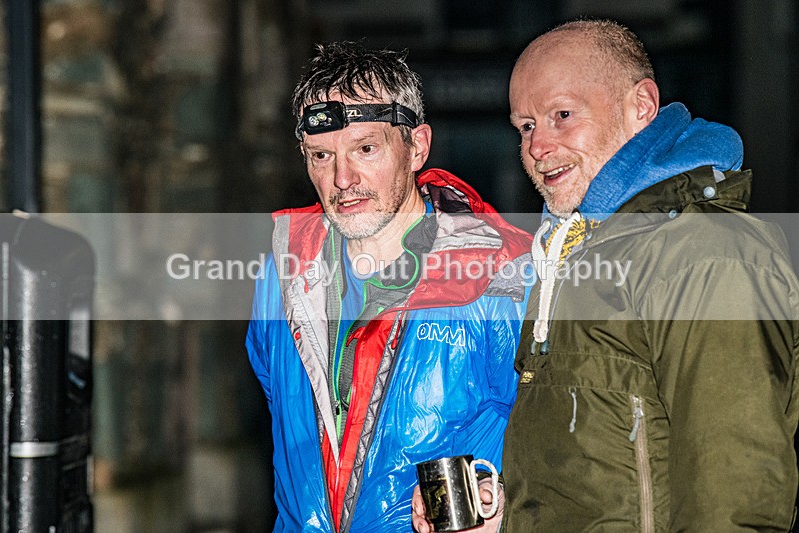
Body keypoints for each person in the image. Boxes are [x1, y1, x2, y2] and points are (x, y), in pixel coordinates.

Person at [413, 18, 799, 532]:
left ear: (640, 107)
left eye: (562, 115)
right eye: (526, 126)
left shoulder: (708, 253)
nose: (537, 147)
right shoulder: (569, 257)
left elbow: (735, 496)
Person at [245, 41, 532, 532]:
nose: (342, 178)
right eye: (321, 155)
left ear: (417, 146)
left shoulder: (503, 273)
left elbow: (552, 425)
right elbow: (281, 411)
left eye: (366, 149)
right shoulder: (281, 270)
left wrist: (502, 495)